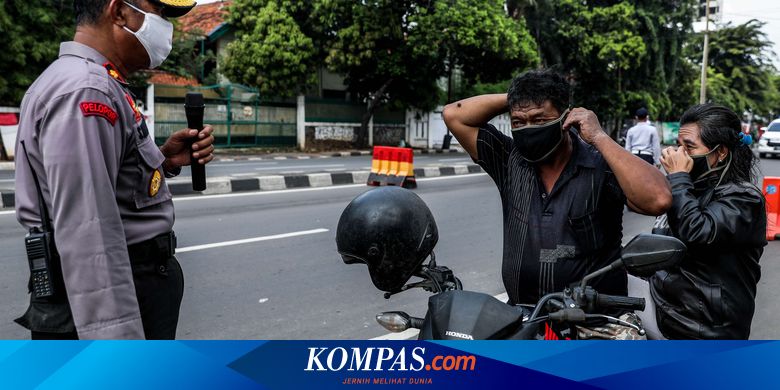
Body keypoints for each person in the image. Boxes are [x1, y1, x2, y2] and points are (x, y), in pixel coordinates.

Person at [14, 0, 214, 339]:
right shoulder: (86, 91)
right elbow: (89, 233)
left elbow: (105, 187)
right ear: (119, 11)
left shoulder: (93, 81)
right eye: (159, 13)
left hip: (136, 281)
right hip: (122, 289)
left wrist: (162, 161)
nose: (166, 26)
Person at [442, 69, 671, 336]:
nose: (528, 128)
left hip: (596, 323)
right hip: (524, 319)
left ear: (566, 117)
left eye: (540, 119)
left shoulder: (601, 164)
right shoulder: (509, 160)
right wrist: (521, 96)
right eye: (518, 122)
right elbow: (454, 115)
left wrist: (599, 136)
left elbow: (658, 199)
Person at [631, 103, 766, 339]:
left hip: (701, 326)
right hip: (668, 304)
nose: (679, 154)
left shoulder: (744, 198)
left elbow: (697, 233)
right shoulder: (691, 189)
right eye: (679, 145)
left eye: (689, 147)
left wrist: (678, 178)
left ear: (720, 152)